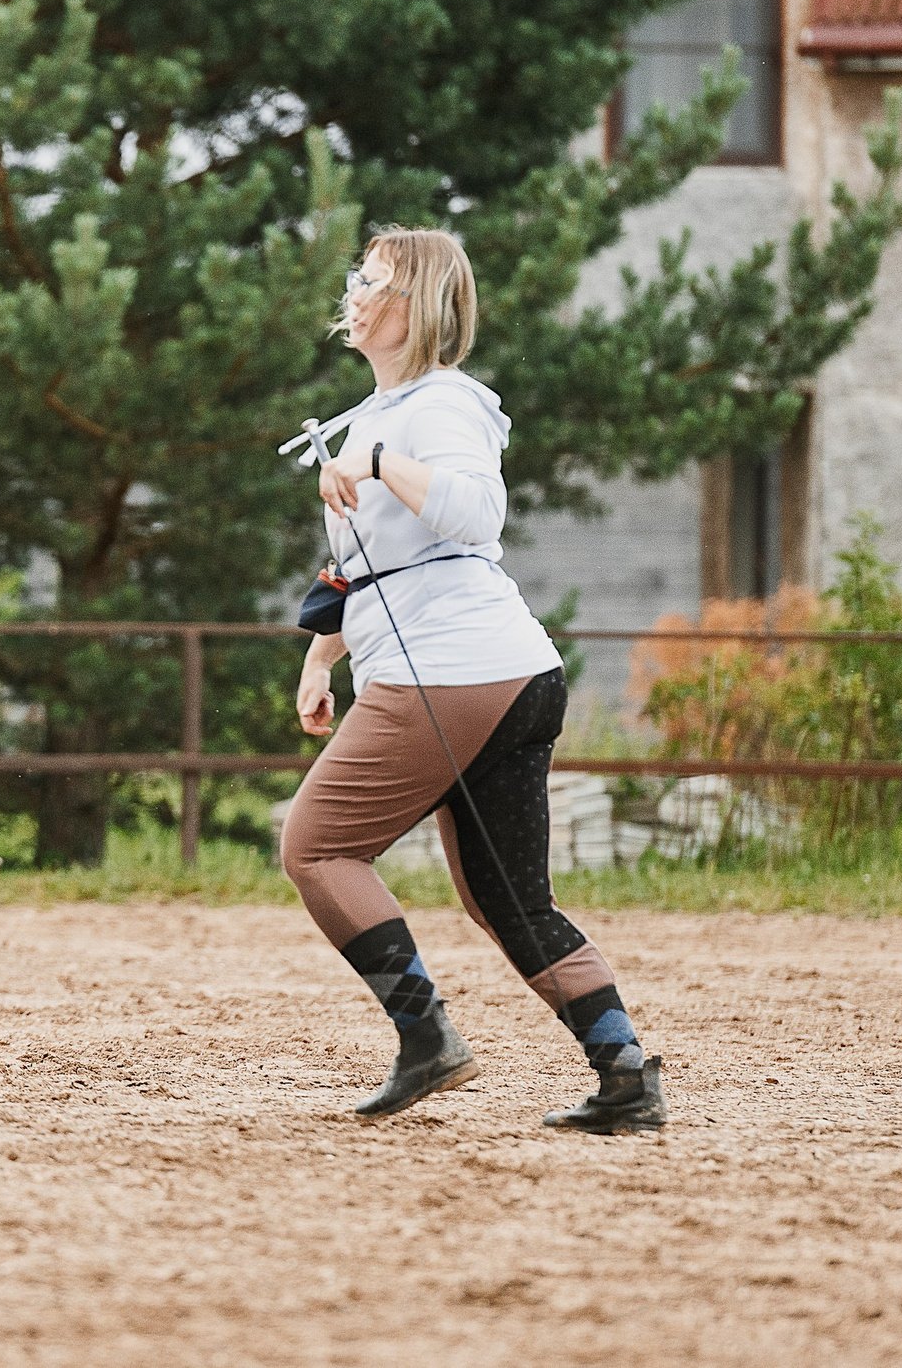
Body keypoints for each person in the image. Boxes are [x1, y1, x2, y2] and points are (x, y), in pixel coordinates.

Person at [282, 229, 666, 1131]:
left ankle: (426, 1039)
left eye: (370, 279)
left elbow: (474, 511)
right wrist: (320, 656)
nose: (354, 290)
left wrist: (377, 463)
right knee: (509, 901)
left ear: (411, 306)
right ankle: (626, 1077)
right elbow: (365, 568)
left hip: (456, 673)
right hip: (507, 672)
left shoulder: (439, 405)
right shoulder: (381, 413)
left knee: (316, 846)